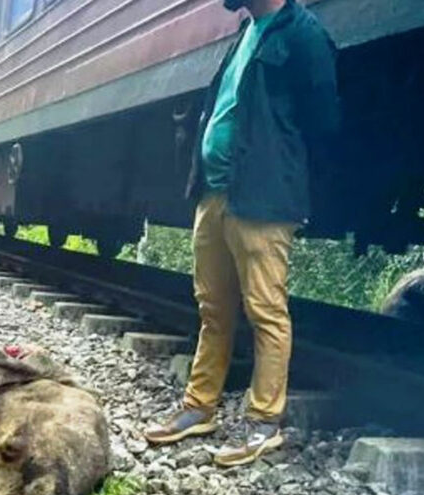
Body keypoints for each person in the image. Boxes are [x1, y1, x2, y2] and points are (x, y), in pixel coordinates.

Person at [144, 0, 341, 467]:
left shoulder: (303, 34)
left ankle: (263, 423)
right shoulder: (246, 33)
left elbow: (323, 123)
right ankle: (199, 407)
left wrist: (280, 175)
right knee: (213, 307)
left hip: (262, 198)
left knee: (265, 310)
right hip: (216, 193)